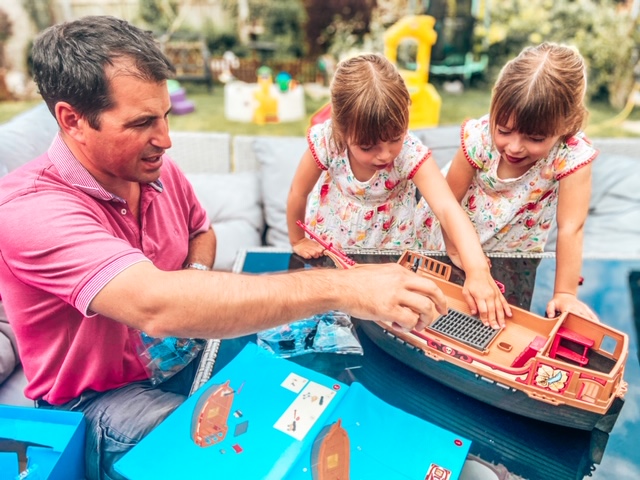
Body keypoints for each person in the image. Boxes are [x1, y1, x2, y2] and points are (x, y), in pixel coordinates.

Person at [0, 17, 449, 480]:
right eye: (142, 123)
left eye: (165, 115)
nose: (166, 139)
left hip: (192, 351)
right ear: (72, 120)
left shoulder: (153, 169)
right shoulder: (29, 210)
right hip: (104, 400)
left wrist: (194, 276)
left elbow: (201, 234)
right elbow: (155, 304)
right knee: (241, 456)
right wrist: (346, 286)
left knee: (332, 369)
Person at [286, 53, 510, 328]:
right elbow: (299, 191)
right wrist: (297, 240)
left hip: (389, 252)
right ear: (342, 130)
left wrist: (476, 270)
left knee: (385, 322)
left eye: (395, 138)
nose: (384, 155)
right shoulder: (327, 142)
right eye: (367, 147)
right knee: (335, 323)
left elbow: (447, 208)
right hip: (335, 249)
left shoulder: (409, 153)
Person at [417, 42, 598, 321]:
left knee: (501, 321)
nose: (514, 147)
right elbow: (447, 202)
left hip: (514, 249)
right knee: (438, 307)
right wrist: (457, 253)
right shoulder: (480, 139)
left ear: (566, 124)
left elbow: (571, 227)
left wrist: (565, 293)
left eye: (535, 138)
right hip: (451, 236)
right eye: (504, 131)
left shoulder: (570, 155)